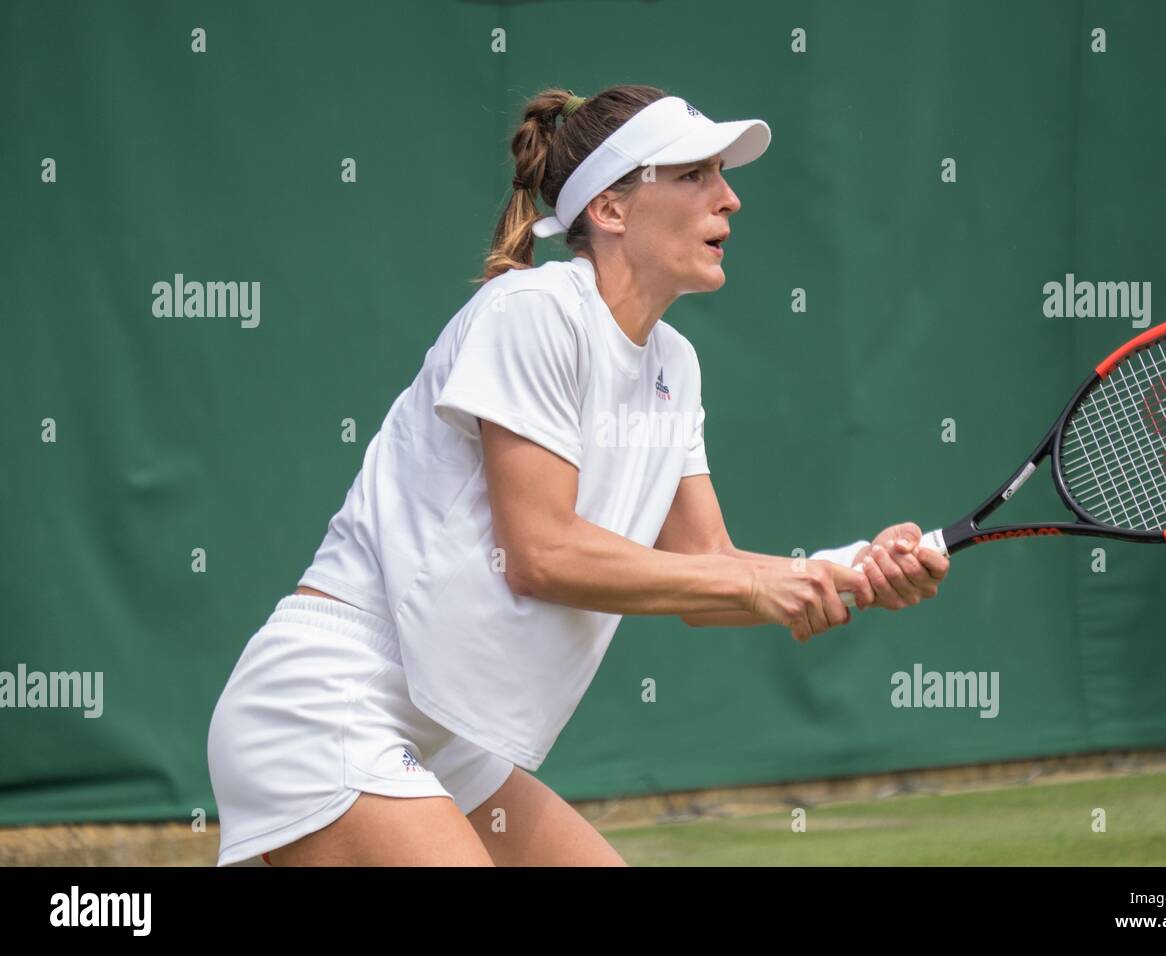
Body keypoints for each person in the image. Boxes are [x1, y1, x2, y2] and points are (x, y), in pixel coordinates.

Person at [206, 84, 949, 867]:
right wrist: (762, 586)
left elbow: (709, 569)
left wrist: (851, 565)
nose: (729, 198)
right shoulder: (532, 312)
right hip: (329, 702)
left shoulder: (674, 367)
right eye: (694, 175)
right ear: (611, 209)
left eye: (721, 176)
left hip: (444, 732)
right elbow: (544, 555)